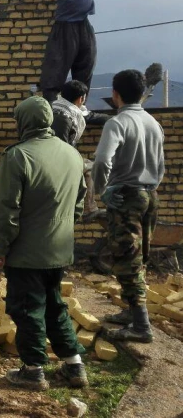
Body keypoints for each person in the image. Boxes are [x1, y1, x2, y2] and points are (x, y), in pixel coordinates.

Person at [0, 96, 88, 390]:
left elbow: (6, 208)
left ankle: (32, 371)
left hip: (26, 251)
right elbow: (79, 203)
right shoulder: (72, 155)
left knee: (27, 308)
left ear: (23, 122)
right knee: (54, 305)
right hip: (59, 248)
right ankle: (74, 365)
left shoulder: (19, 156)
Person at [92, 69, 164, 343]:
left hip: (126, 196)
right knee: (140, 254)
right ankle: (132, 313)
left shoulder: (118, 122)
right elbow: (160, 164)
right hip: (150, 194)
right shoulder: (153, 123)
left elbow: (101, 161)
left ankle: (141, 327)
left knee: (126, 257)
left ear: (115, 94)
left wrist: (103, 189)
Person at [36, 0, 98, 102]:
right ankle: (81, 106)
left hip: (64, 28)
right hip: (85, 28)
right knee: (84, 69)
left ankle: (51, 107)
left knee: (55, 69)